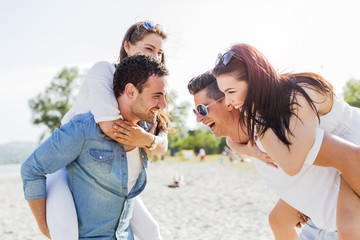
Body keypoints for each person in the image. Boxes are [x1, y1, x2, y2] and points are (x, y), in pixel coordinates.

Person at [188, 71, 360, 239]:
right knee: (277, 220)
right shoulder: (246, 141)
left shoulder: (278, 131)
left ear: (229, 101)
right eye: (196, 112)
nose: (199, 119)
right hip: (322, 223)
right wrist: (303, 202)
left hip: (341, 227)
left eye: (202, 109)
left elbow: (350, 157)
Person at [46, 21, 170, 240]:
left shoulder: (152, 91)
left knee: (152, 231)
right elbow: (111, 128)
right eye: (149, 49)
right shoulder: (104, 72)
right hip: (67, 165)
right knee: (66, 234)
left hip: (107, 174)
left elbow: (163, 145)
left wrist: (146, 139)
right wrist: (146, 140)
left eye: (159, 52)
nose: (155, 57)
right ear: (128, 47)